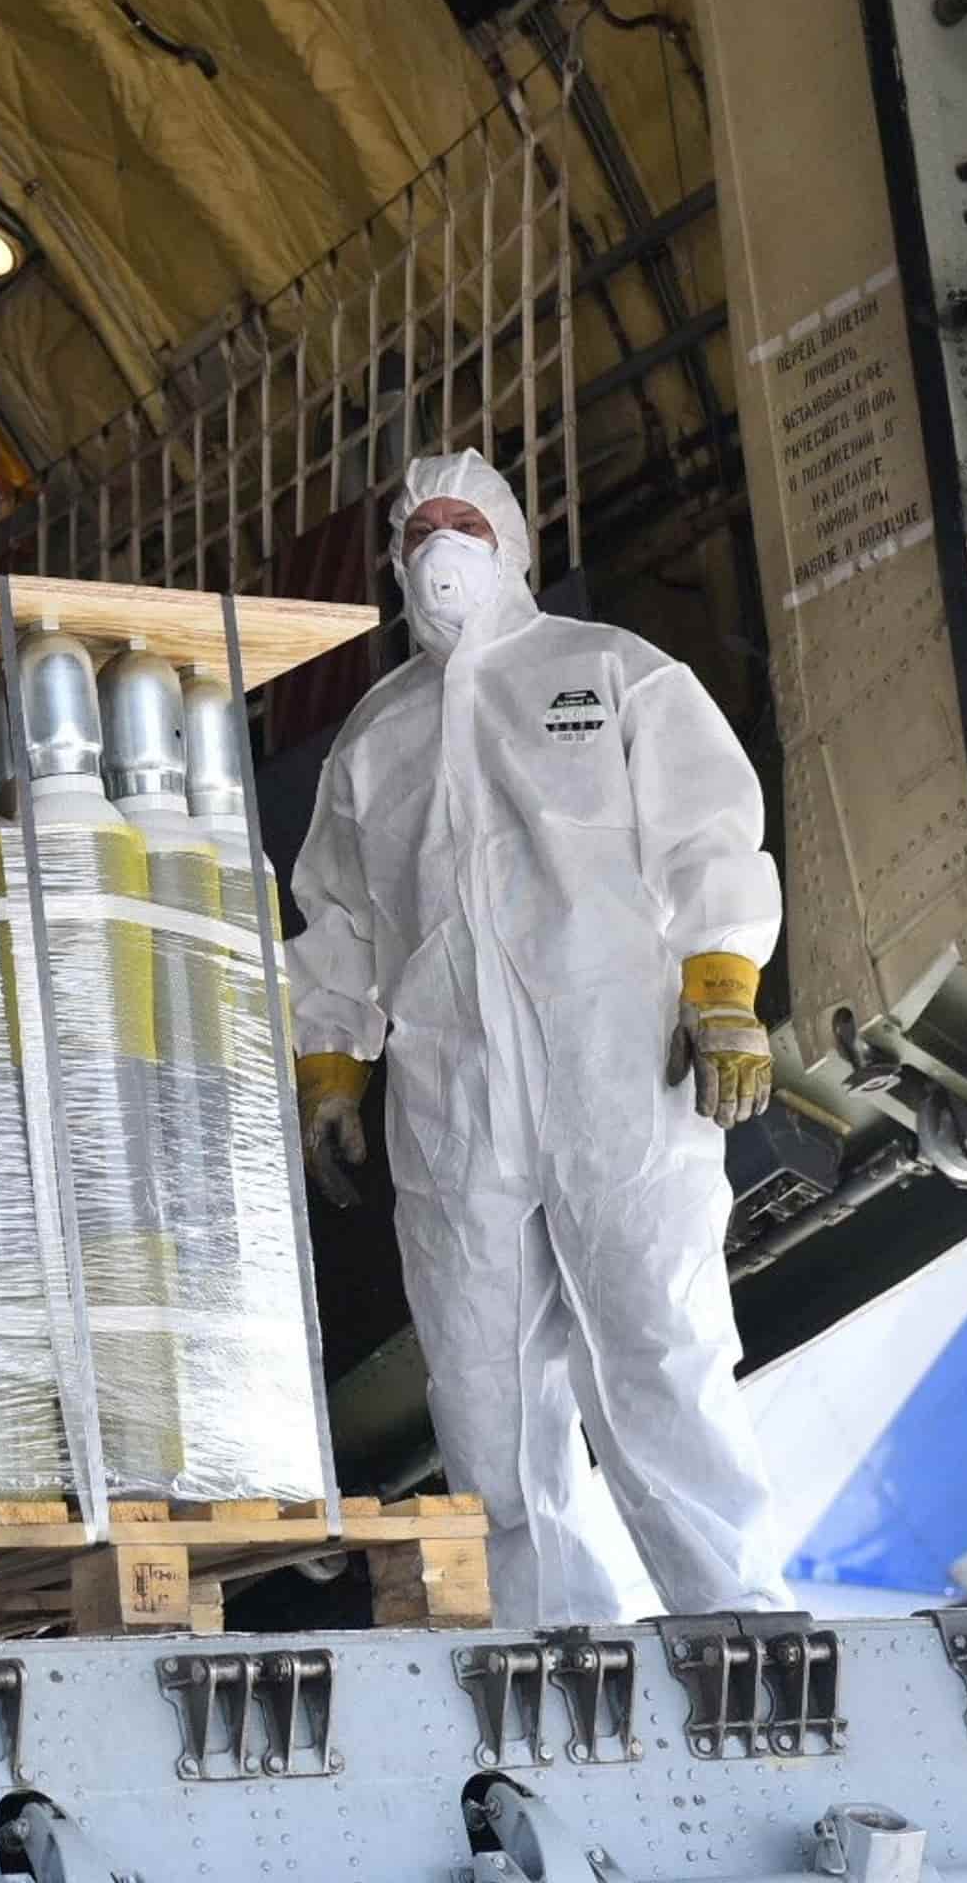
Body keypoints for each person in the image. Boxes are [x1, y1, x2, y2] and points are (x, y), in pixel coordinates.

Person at [285, 449, 788, 1624]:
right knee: (485, 1393)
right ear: (395, 561)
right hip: (453, 1104)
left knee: (659, 1348)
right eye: (417, 529)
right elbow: (340, 920)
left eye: (462, 522)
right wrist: (330, 1064)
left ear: (510, 541)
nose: (439, 544)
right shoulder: (374, 736)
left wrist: (722, 981)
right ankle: (549, 1644)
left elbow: (707, 828)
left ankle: (740, 1621)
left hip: (616, 1071)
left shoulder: (610, 670)